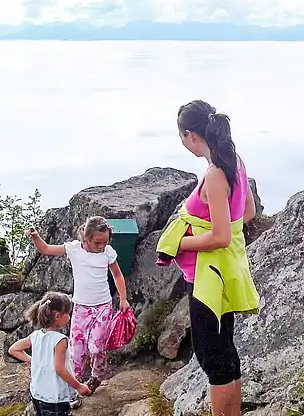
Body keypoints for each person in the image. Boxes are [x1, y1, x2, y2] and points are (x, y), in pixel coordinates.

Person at [155, 100, 260, 416]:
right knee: (224, 351)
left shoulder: (215, 174)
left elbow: (220, 236)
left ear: (190, 135)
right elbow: (249, 212)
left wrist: (181, 242)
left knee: (211, 356)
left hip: (206, 277)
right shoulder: (235, 162)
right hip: (225, 270)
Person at [27, 216, 130, 392]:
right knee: (77, 350)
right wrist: (36, 237)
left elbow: (117, 274)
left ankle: (97, 376)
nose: (101, 246)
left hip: (103, 306)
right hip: (81, 307)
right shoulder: (74, 249)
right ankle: (74, 385)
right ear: (85, 238)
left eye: (105, 242)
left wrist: (123, 298)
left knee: (96, 347)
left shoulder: (108, 252)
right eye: (97, 242)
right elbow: (46, 249)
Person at [9, 291, 91, 416]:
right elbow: (60, 370)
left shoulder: (35, 335)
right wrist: (79, 386)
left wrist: (34, 360)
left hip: (37, 394)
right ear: (58, 316)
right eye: (67, 314)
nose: (69, 317)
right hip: (55, 397)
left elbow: (13, 349)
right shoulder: (60, 340)